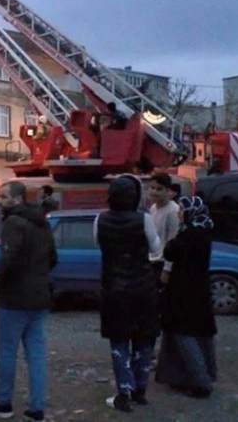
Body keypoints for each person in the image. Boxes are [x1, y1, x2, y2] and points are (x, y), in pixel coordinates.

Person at [0, 181, 57, 422]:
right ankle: (36, 408)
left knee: (7, 352)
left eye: (4, 197)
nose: (0, 201)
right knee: (35, 353)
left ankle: (3, 402)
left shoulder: (13, 223)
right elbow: (53, 258)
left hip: (14, 299)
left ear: (17, 199)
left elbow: (7, 260)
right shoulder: (42, 222)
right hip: (39, 296)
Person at [94, 174, 161, 412]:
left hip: (113, 288)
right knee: (144, 340)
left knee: (119, 341)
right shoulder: (144, 219)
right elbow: (156, 249)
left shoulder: (100, 219)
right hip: (143, 287)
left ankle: (125, 390)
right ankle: (140, 389)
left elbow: (99, 245)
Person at [156, 196, 217, 398]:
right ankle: (189, 377)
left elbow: (170, 251)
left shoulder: (189, 235)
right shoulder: (204, 231)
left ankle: (200, 382)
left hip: (184, 293)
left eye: (182, 210)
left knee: (184, 336)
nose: (179, 213)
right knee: (198, 336)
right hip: (198, 292)